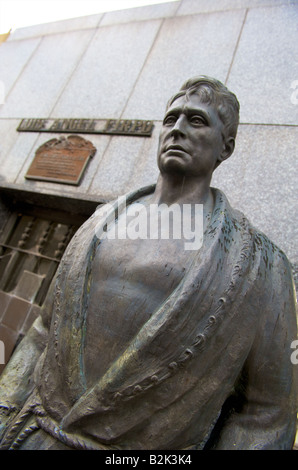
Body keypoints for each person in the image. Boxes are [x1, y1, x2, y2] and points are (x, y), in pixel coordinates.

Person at [0, 76, 297, 450]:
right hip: (32, 437)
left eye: (197, 121)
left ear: (227, 146)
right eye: (171, 119)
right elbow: (43, 331)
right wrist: (4, 408)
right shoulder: (99, 221)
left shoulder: (261, 265)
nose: (177, 130)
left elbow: (266, 413)